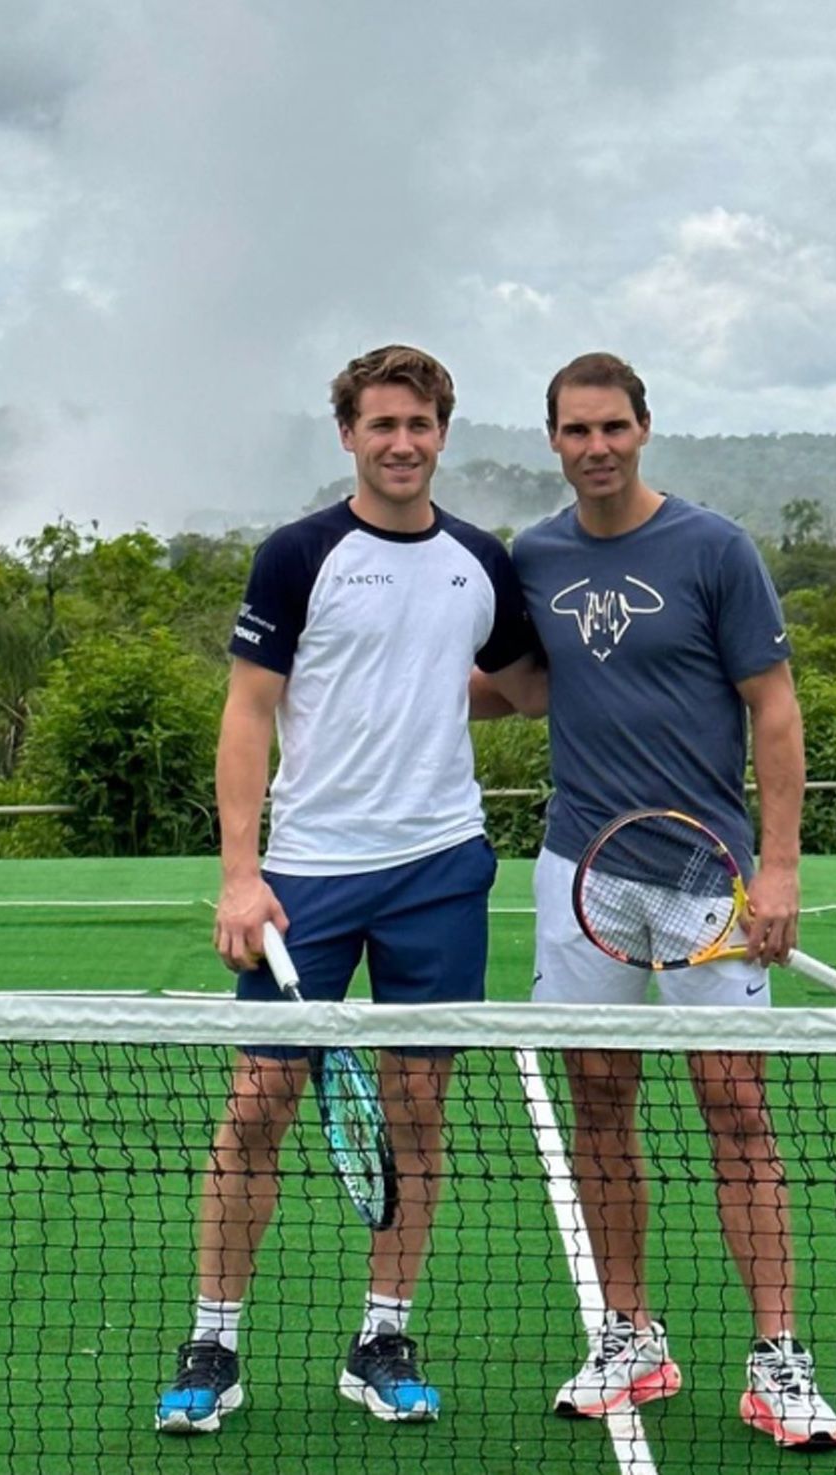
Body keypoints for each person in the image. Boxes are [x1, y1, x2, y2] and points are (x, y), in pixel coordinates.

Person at [156, 345, 539, 1435]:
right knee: (258, 1106)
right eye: (382, 424)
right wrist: (241, 873)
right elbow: (246, 712)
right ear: (349, 435)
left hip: (441, 870)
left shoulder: (481, 562)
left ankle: (384, 1333)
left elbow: (523, 685)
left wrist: (431, 704)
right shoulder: (298, 554)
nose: (402, 442)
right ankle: (214, 1340)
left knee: (418, 1109)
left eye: (419, 423)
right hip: (308, 878)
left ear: (443, 432)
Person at [474, 352, 836, 1449]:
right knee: (599, 1100)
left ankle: (777, 1359)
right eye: (576, 431)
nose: (596, 447)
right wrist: (368, 699)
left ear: (644, 428)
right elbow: (517, 686)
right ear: (552, 440)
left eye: (613, 427)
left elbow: (773, 709)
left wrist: (778, 869)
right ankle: (630, 1332)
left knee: (736, 1107)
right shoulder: (532, 555)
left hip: (709, 877)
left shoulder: (715, 548)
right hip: (579, 873)